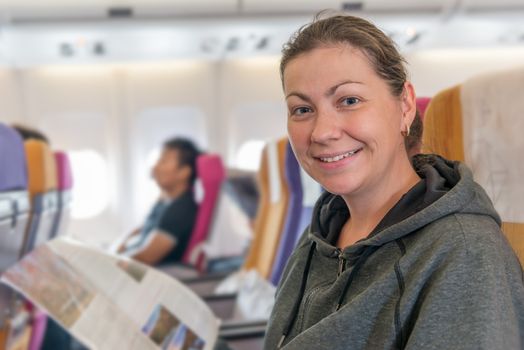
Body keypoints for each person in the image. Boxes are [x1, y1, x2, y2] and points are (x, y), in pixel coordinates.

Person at [262, 13, 524, 350]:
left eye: (349, 100)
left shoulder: (463, 254)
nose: (322, 132)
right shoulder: (321, 234)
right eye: (301, 109)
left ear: (405, 106)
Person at [118, 137, 200, 266]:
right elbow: (143, 228)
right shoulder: (165, 201)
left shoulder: (181, 209)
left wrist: (112, 262)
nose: (155, 167)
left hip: (157, 273)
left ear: (184, 172)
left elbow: (146, 257)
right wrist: (118, 248)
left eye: (163, 161)